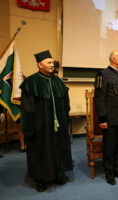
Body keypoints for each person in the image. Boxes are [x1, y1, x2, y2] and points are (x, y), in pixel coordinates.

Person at [20, 50, 73, 192]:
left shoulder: (57, 81)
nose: (52, 64)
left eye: (52, 62)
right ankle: (40, 179)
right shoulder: (31, 82)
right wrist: (29, 128)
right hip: (40, 125)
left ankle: (58, 173)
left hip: (58, 125)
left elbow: (65, 103)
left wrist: (65, 120)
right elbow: (27, 108)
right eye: (49, 62)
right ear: (39, 64)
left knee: (59, 147)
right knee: (41, 150)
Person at [94, 51, 118, 185]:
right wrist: (102, 119)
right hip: (110, 119)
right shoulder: (102, 74)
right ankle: (109, 173)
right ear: (113, 59)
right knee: (109, 147)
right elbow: (99, 99)